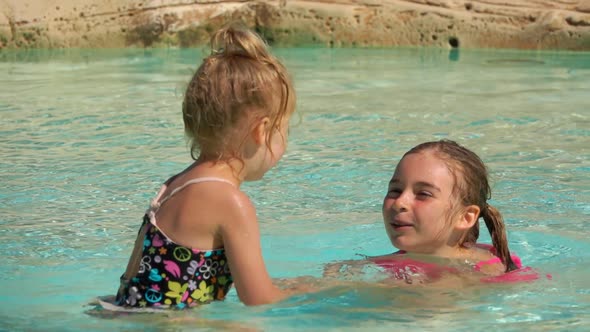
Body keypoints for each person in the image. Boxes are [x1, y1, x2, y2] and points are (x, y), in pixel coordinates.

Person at [110, 24, 304, 309]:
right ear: (262, 131)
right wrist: (319, 294)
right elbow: (259, 300)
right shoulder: (230, 202)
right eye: (284, 130)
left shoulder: (174, 185)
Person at [325, 139, 538, 285]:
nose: (400, 202)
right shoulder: (380, 264)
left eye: (423, 194)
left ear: (466, 217)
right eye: (395, 190)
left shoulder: (487, 269)